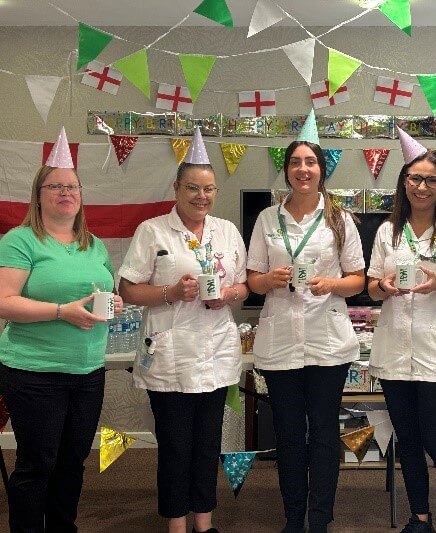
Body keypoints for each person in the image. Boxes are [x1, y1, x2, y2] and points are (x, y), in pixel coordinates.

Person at [118, 128, 248, 533]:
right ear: (176, 188)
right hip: (170, 357)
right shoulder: (152, 230)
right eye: (192, 188)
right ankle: (176, 524)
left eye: (209, 189)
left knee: (209, 445)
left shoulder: (226, 231)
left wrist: (226, 295)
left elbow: (244, 285)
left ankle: (204, 523)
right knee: (175, 446)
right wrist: (170, 292)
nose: (201, 197)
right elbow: (127, 288)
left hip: (215, 353)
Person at [246, 110, 365, 533]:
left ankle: (320, 518)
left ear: (321, 170)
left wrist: (331, 283)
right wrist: (270, 278)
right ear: (287, 171)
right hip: (280, 344)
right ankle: (293, 517)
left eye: (310, 162)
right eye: (295, 162)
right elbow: (252, 280)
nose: (303, 169)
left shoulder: (340, 219)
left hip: (326, 341)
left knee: (323, 436)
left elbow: (358, 280)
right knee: (291, 437)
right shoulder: (266, 219)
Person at [0, 127, 123, 532]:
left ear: (81, 195)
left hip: (87, 371)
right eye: (55, 186)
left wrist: (115, 302)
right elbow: (4, 302)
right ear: (39, 195)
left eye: (72, 186)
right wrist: (60, 311)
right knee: (38, 464)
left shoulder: (93, 244)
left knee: (72, 463)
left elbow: (103, 292)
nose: (66, 193)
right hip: (35, 371)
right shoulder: (20, 241)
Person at [367, 128, 436, 533]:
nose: (423, 186)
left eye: (432, 179)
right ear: (404, 183)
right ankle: (420, 518)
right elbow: (370, 286)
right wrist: (385, 286)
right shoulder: (387, 231)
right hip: (395, 348)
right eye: (415, 178)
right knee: (407, 442)